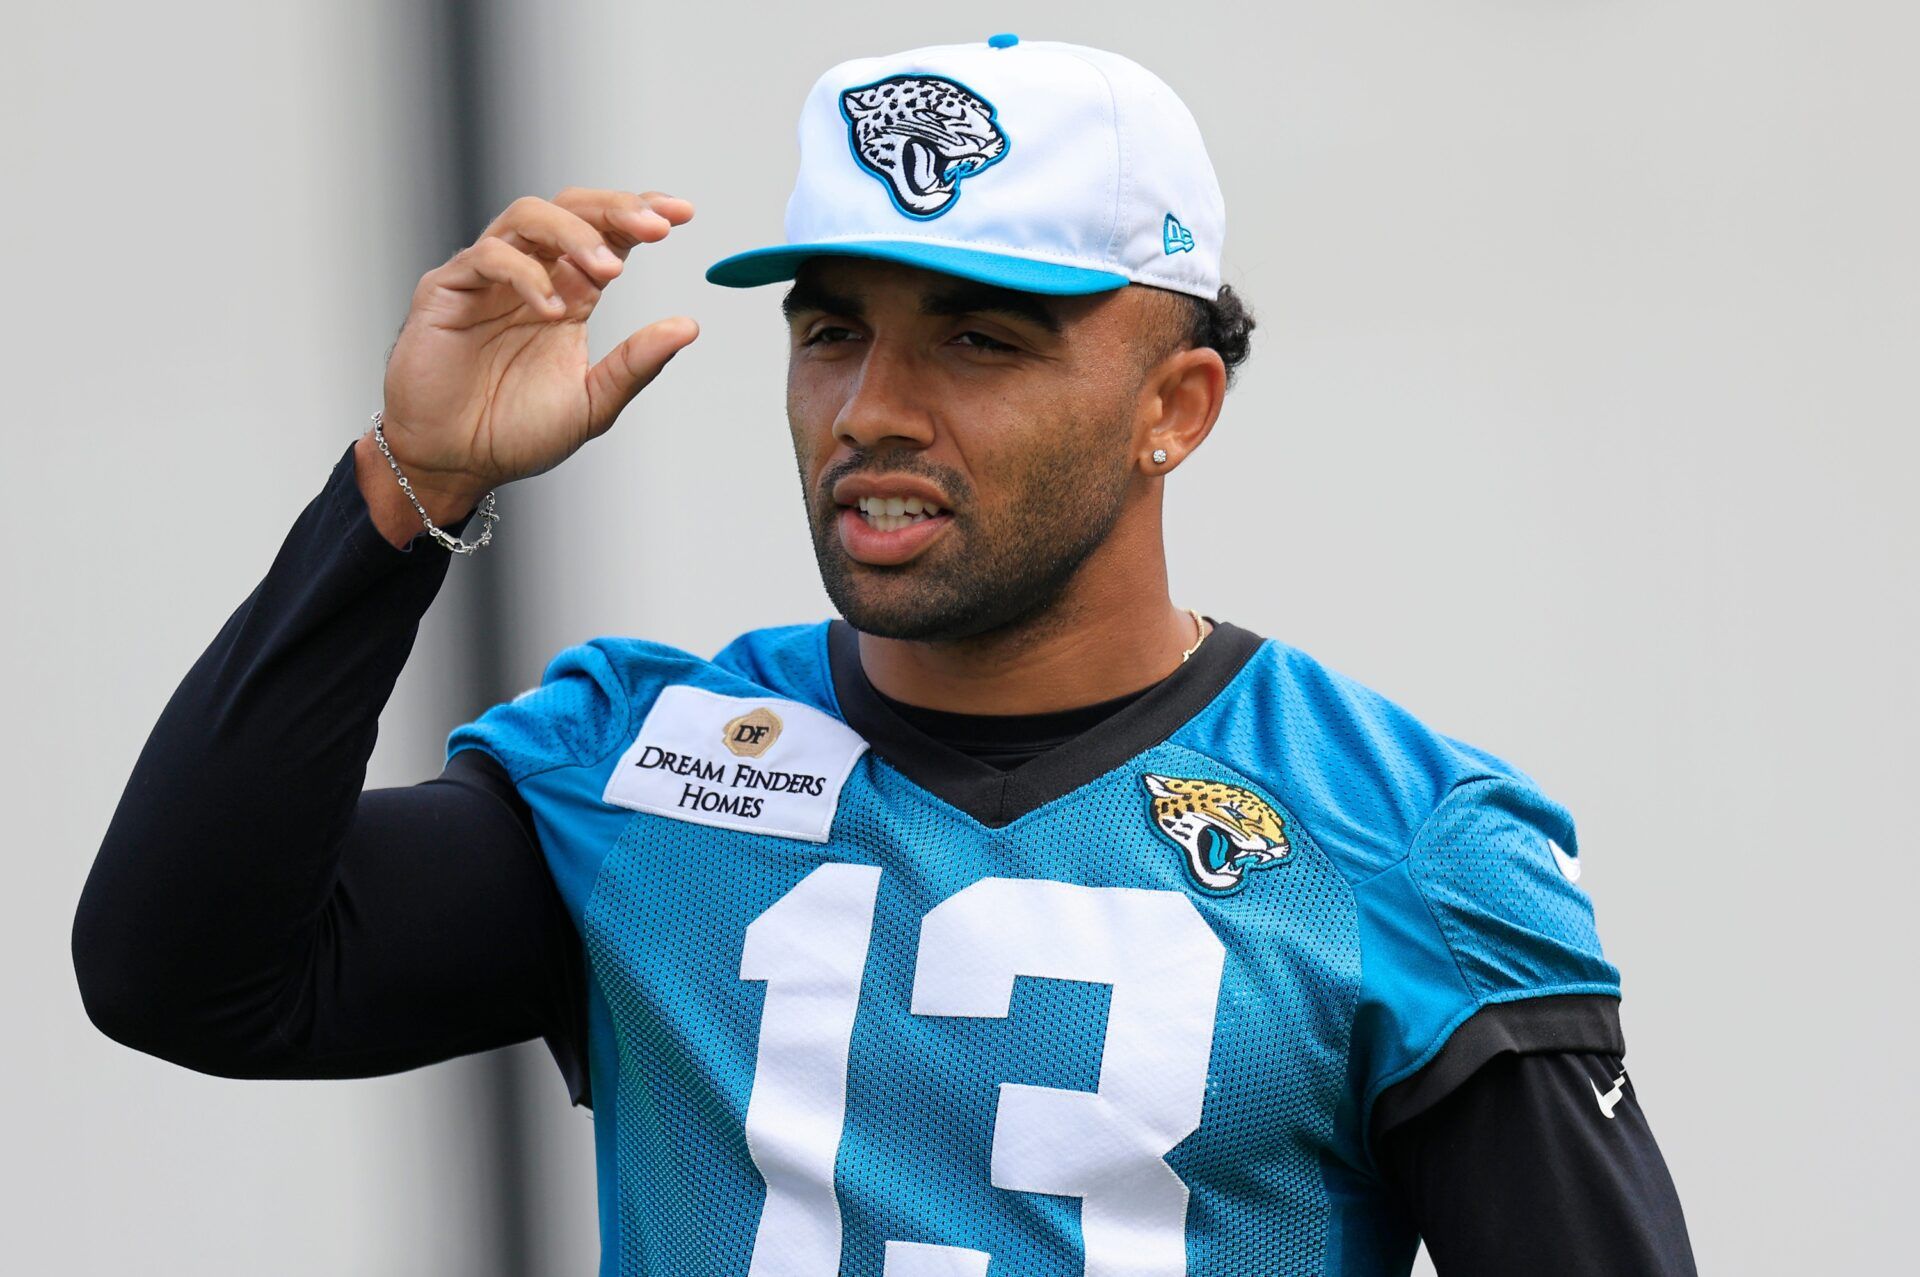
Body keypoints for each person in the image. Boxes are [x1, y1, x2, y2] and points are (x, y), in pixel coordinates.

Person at [72, 33, 1695, 1277]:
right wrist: (404, 498)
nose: (874, 410)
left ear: (1174, 407)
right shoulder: (645, 764)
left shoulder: (1401, 837)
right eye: (833, 328)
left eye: (981, 339)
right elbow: (184, 972)